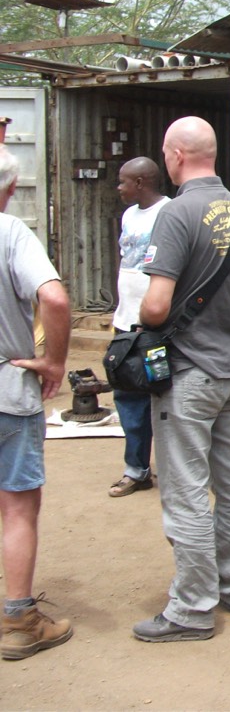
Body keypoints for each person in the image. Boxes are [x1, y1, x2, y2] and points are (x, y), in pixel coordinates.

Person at [132, 117, 230, 643]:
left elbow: (158, 305)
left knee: (185, 491)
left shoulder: (175, 214)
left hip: (187, 375)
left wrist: (142, 322)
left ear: (175, 155)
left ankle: (191, 609)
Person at [0, 146, 73, 661]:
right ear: (10, 187)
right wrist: (54, 362)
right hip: (7, 390)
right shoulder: (10, 234)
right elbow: (55, 298)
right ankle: (20, 619)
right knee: (18, 508)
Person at [108, 157, 170, 498]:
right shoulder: (129, 215)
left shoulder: (170, 213)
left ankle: (177, 471)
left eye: (123, 182)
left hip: (157, 327)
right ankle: (137, 470)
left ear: (142, 182)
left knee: (166, 395)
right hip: (126, 325)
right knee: (128, 394)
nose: (119, 187)